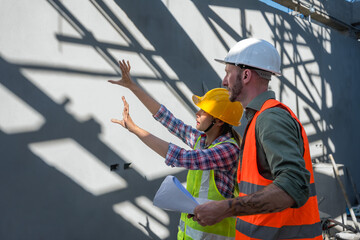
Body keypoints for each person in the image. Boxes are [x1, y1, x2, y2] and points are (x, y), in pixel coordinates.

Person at [192, 38, 322, 240]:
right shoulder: (257, 120)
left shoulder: (270, 118)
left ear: (245, 75)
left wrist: (225, 208)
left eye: (228, 72)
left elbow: (294, 184)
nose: (224, 81)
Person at [109, 60, 244, 240]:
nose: (197, 114)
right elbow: (168, 119)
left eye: (203, 112)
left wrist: (135, 130)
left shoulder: (228, 150)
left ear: (219, 121)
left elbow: (181, 157)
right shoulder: (201, 140)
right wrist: (133, 87)